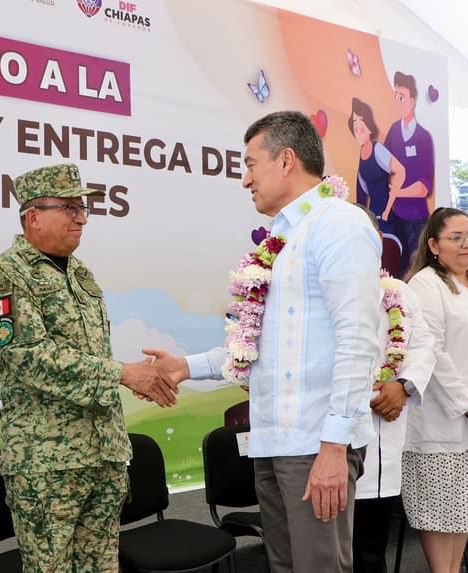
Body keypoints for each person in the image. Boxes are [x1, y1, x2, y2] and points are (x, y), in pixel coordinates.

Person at [145, 111, 382, 572]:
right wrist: (185, 366)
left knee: (319, 567)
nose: (244, 179)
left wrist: (334, 446)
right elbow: (260, 346)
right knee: (285, 567)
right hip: (273, 441)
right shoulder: (279, 239)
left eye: (251, 164)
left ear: (287, 160)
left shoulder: (339, 225)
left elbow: (359, 341)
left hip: (316, 443)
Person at [0, 163, 176, 573]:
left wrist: (134, 376)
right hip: (47, 466)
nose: (81, 217)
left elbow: (89, 351)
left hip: (103, 456)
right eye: (68, 207)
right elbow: (29, 358)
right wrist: (122, 373)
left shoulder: (81, 273)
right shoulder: (6, 275)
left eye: (82, 207)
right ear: (33, 216)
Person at [401, 207, 468, 573]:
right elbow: (432, 355)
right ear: (434, 245)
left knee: (462, 523)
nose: (467, 243)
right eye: (455, 238)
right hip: (441, 425)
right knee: (441, 524)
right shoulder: (425, 284)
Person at [351, 205, 435, 573]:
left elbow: (423, 345)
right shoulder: (311, 293)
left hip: (383, 447)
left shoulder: (396, 291)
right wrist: (375, 396)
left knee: (371, 553)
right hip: (327, 449)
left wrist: (402, 386)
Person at [383, 72, 435, 276]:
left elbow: (423, 187)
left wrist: (396, 192)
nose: (398, 101)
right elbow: (384, 164)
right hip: (396, 216)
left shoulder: (423, 138)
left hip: (417, 218)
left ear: (412, 101)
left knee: (418, 270)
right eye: (395, 96)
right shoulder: (394, 131)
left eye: (402, 97)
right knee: (397, 268)